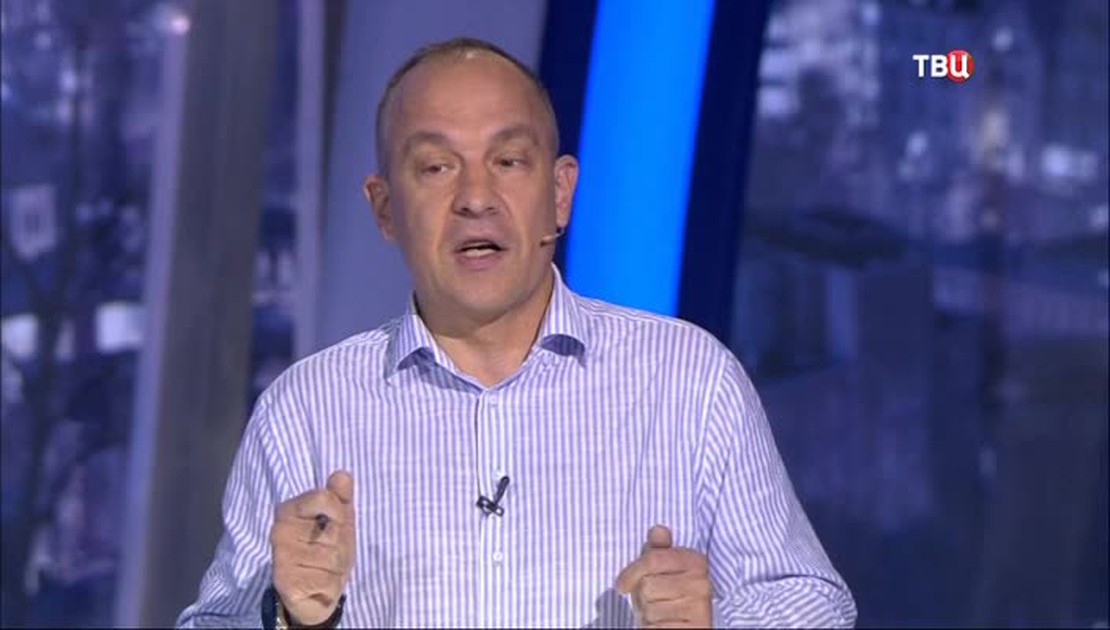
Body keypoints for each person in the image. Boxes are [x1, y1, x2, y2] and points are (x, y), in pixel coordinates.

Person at [177, 37, 856, 629]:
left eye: (508, 161)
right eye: (436, 167)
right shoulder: (306, 410)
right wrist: (290, 616)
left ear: (560, 194)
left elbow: (814, 604)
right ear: (384, 209)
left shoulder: (690, 380)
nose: (476, 198)